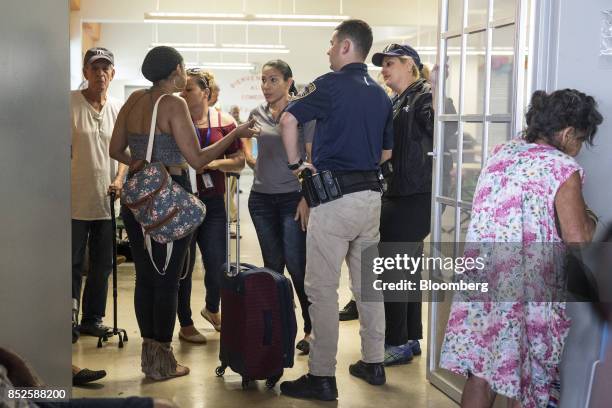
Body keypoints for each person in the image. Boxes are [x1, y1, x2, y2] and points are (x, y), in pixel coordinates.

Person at [439, 89, 603, 408]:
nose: (579, 149)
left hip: (483, 280)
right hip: (529, 288)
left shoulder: (503, 153)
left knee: (482, 374)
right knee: (530, 379)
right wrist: (591, 218)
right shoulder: (561, 167)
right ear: (568, 133)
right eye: (580, 139)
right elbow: (578, 238)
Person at [109, 46, 258, 381]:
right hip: (169, 197)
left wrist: (138, 162)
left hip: (137, 196)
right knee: (167, 281)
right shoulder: (172, 104)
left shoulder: (133, 101)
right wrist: (235, 134)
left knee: (146, 278)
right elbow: (198, 159)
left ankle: (150, 358)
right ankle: (162, 361)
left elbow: (114, 148)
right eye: (183, 68)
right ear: (175, 71)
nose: (185, 73)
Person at [278, 19, 393, 401]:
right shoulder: (380, 95)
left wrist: (298, 168)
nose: (327, 51)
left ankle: (322, 375)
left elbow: (289, 118)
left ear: (345, 46)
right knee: (368, 287)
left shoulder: (327, 86)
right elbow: (386, 153)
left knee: (322, 289)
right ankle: (374, 362)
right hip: (371, 199)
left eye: (330, 44)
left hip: (334, 199)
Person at [371, 43, 434, 365]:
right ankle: (410, 337)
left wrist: (438, 92)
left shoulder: (424, 96)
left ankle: (396, 341)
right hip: (400, 192)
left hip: (414, 195)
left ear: (410, 65)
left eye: (390, 63)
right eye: (382, 65)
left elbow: (439, 127)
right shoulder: (399, 100)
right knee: (406, 269)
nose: (384, 70)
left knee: (394, 268)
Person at [248, 59, 314, 355]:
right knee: (272, 269)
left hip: (291, 198)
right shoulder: (256, 114)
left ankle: (311, 329)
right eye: (263, 80)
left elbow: (312, 159)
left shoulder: (302, 114)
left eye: (273, 80)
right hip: (261, 199)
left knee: (297, 267)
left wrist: (306, 197)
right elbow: (249, 148)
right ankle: (278, 331)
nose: (266, 86)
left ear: (289, 82)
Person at [178, 68, 245, 338]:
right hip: (182, 202)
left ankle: (211, 308)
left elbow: (239, 161)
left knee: (218, 262)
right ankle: (185, 323)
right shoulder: (174, 119)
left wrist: (213, 162)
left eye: (188, 89)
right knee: (183, 264)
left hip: (213, 201)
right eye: (180, 89)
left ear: (205, 93)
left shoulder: (223, 121)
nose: (182, 94)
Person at [71, 47, 128, 341]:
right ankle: (68, 319)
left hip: (107, 201)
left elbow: (124, 153)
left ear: (113, 74)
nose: (100, 74)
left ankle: (92, 318)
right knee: (72, 263)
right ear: (85, 73)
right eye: (95, 68)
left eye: (106, 68)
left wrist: (120, 179)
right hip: (74, 201)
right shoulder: (69, 103)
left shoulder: (118, 107)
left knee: (103, 264)